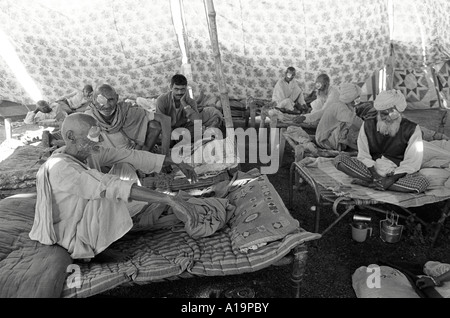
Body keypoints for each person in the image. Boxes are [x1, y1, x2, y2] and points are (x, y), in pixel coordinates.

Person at [28, 113, 198, 261]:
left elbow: (128, 154)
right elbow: (109, 186)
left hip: (83, 214)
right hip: (68, 231)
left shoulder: (86, 152)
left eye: (99, 134)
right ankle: (97, 250)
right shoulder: (61, 168)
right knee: (108, 190)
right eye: (93, 135)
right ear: (71, 137)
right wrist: (167, 198)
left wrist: (175, 161)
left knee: (124, 168)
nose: (100, 140)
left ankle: (122, 221)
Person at [334, 89, 430, 193]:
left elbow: (412, 163)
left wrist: (390, 179)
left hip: (396, 173)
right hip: (371, 170)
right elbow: (363, 155)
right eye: (383, 113)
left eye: (391, 113)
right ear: (378, 111)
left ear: (399, 112)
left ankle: (369, 183)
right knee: (339, 160)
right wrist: (375, 175)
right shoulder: (367, 124)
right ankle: (378, 183)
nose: (386, 117)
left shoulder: (413, 129)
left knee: (421, 183)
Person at [85, 83, 171, 155]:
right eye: (101, 100)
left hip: (130, 152)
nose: (107, 105)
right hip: (106, 157)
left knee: (154, 126)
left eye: (110, 100)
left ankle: (140, 161)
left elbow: (164, 119)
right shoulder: (88, 117)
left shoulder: (126, 111)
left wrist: (165, 153)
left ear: (117, 98)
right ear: (94, 100)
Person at [156, 74, 223, 138]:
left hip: (183, 127)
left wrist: (184, 104)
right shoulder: (162, 100)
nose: (179, 92)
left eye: (182, 89)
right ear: (171, 87)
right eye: (176, 89)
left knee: (200, 129)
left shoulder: (190, 101)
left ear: (186, 88)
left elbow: (197, 121)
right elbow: (160, 121)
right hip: (167, 128)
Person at [314, 83, 363, 150]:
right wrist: (369, 127)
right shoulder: (340, 107)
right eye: (357, 98)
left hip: (328, 136)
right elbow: (354, 120)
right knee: (351, 128)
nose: (357, 101)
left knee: (355, 129)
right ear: (350, 97)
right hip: (325, 140)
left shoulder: (347, 106)